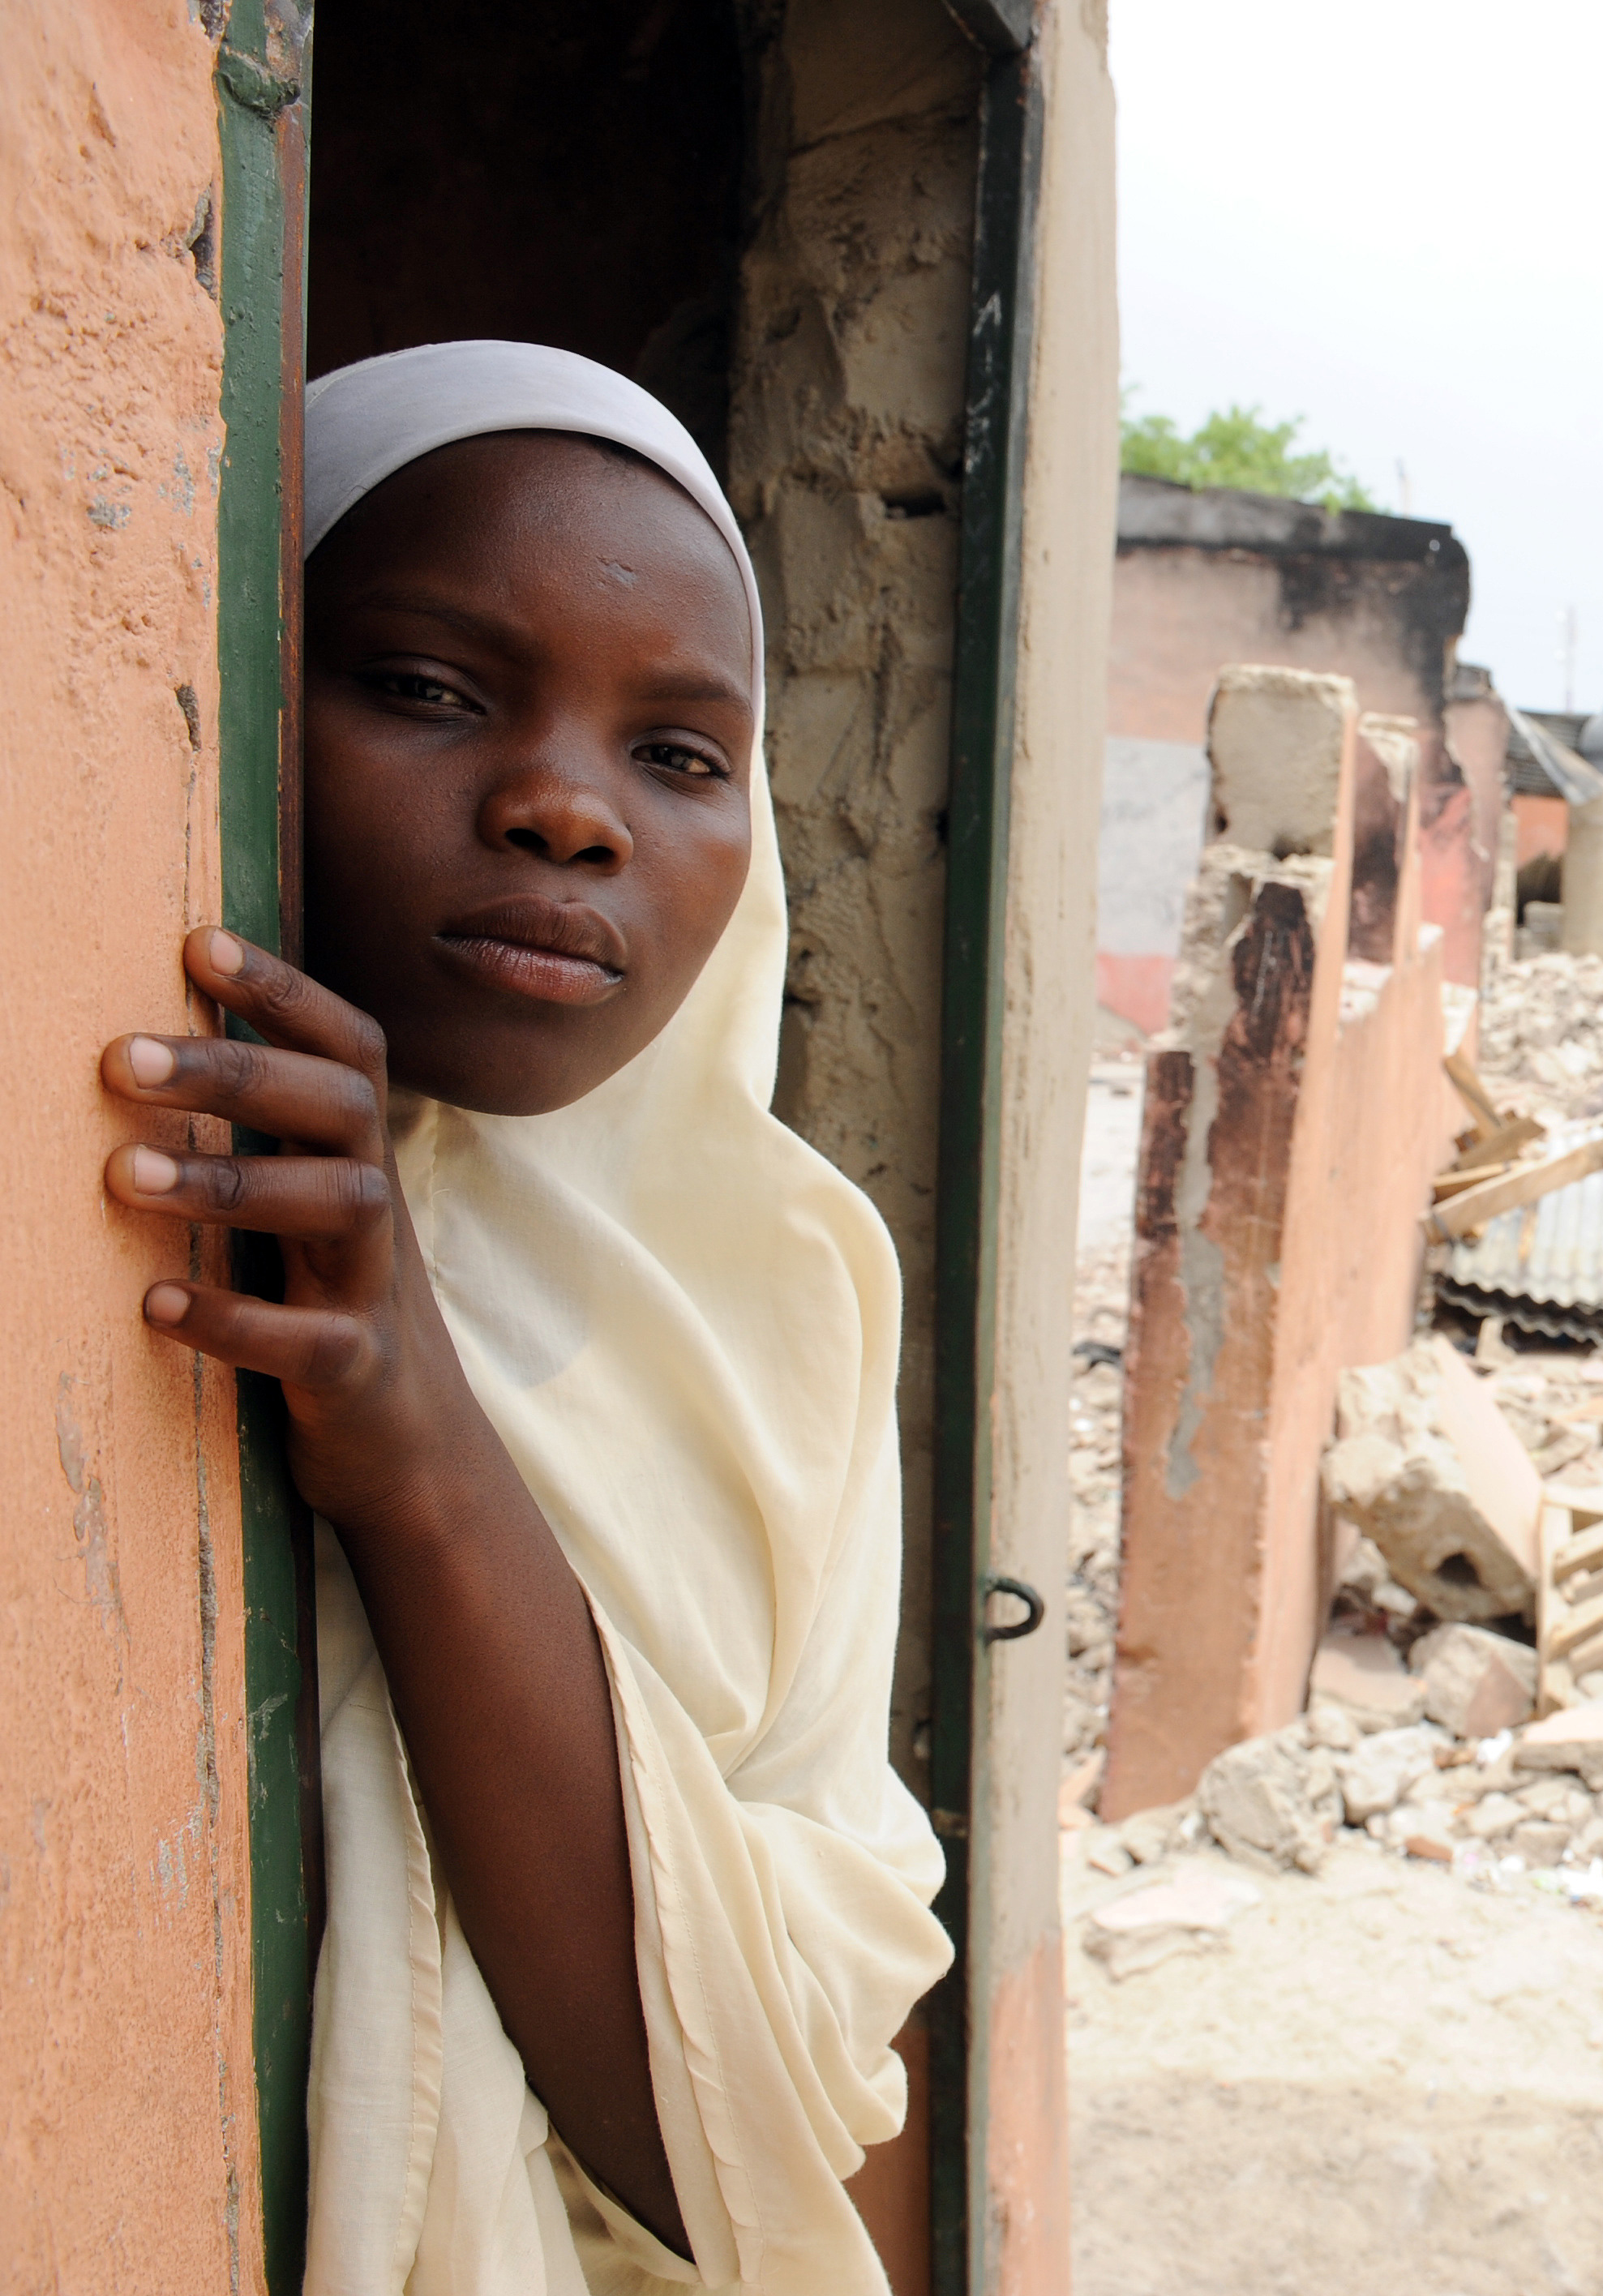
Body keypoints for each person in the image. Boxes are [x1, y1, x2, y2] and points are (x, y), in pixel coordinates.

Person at [98, 341, 948, 2290]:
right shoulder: (140, 1174)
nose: (571, 813)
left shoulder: (791, 1291)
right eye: (423, 687)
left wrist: (420, 1455)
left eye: (678, 755)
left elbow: (759, 2118)